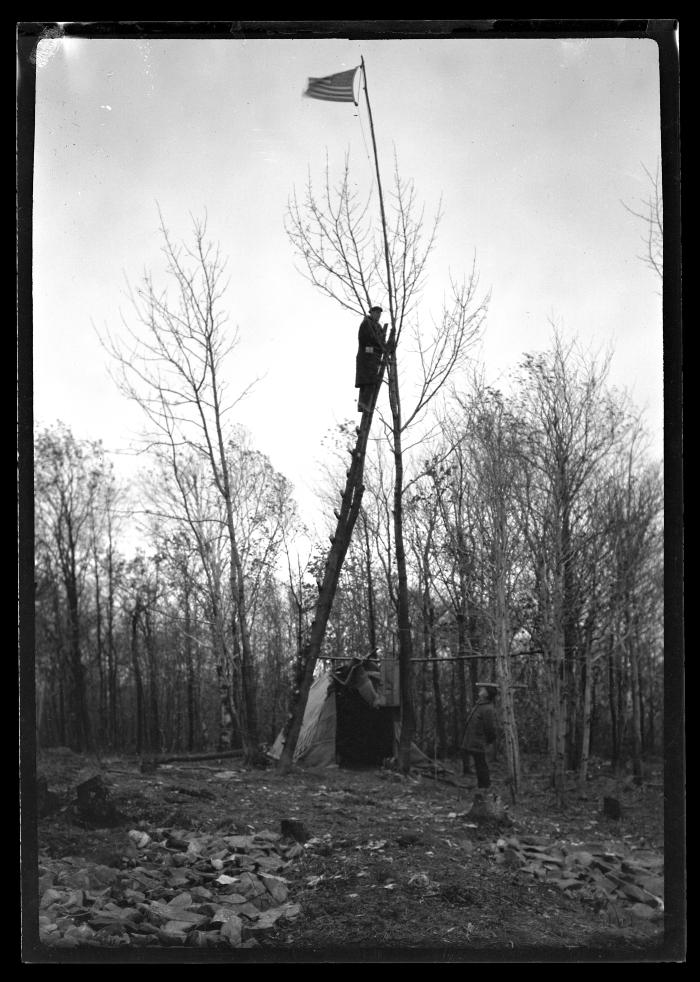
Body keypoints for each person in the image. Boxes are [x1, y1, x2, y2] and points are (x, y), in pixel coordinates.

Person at [460, 686, 498, 788]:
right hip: (472, 739)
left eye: (483, 689)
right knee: (478, 763)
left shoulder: (487, 708)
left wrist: (489, 740)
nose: (480, 691)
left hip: (478, 740)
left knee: (481, 764)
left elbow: (489, 727)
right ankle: (482, 786)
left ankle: (485, 786)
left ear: (487, 694)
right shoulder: (480, 704)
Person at [355, 305, 387, 412]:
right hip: (366, 357)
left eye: (379, 313)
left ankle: (365, 404)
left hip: (374, 358)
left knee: (371, 381)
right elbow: (365, 339)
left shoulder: (378, 327)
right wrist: (376, 345)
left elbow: (382, 342)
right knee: (367, 381)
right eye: (376, 312)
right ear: (371, 313)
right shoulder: (366, 324)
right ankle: (363, 404)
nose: (378, 315)